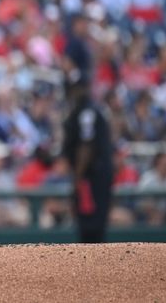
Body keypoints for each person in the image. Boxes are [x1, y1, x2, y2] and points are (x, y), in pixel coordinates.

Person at [61, 71, 113, 243]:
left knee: (90, 224)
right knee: (91, 224)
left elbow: (86, 145)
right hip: (95, 174)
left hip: (91, 176)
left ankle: (91, 265)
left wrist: (78, 176)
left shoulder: (86, 112)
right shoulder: (87, 110)